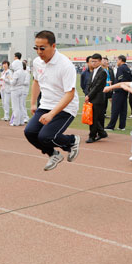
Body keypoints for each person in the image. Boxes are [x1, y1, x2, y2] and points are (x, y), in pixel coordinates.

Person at [24, 30, 81, 171]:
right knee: (30, 132)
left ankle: (72, 141)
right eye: (36, 48)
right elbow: (36, 82)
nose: (39, 51)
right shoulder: (37, 63)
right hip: (45, 104)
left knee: (46, 136)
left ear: (53, 46)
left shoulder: (65, 65)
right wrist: (33, 103)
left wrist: (52, 114)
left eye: (42, 48)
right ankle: (53, 154)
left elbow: (70, 94)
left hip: (65, 107)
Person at [84, 53, 108, 143]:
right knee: (92, 117)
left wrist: (89, 96)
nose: (93, 63)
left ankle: (92, 136)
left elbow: (97, 87)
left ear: (100, 61)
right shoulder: (93, 71)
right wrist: (87, 94)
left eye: (95, 61)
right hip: (91, 97)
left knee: (93, 118)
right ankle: (102, 133)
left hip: (98, 98)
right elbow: (89, 84)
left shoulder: (102, 72)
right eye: (92, 61)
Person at [105, 55, 132, 131]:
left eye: (117, 60)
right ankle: (122, 126)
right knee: (123, 109)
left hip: (118, 91)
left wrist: (114, 86)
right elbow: (131, 79)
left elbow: (120, 80)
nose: (117, 62)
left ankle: (111, 126)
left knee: (115, 109)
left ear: (120, 60)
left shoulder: (121, 68)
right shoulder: (127, 68)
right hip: (125, 91)